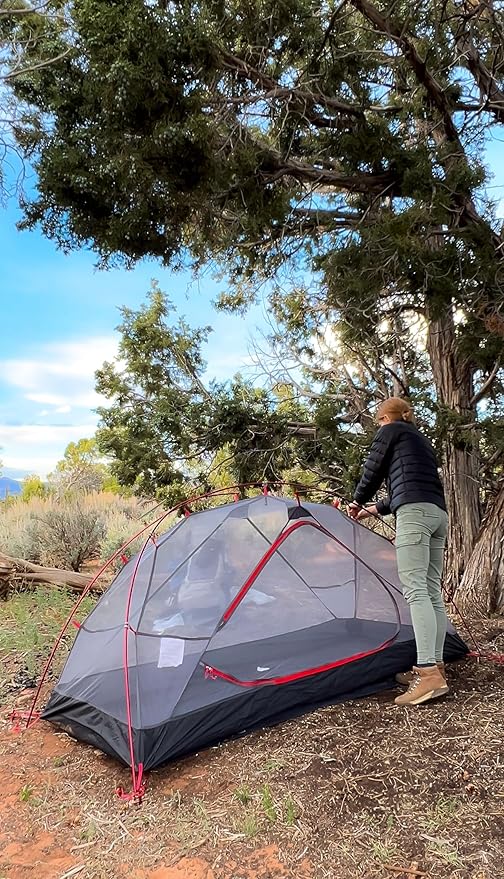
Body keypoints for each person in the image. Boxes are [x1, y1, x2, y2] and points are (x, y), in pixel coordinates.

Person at [348, 397, 449, 707]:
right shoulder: (421, 441)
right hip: (437, 515)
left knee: (416, 591)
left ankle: (429, 674)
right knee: (431, 592)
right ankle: (435, 666)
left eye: (379, 421)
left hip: (415, 516)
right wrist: (370, 510)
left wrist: (355, 500)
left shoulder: (391, 431)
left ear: (386, 418)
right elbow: (406, 487)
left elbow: (373, 468)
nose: (379, 426)